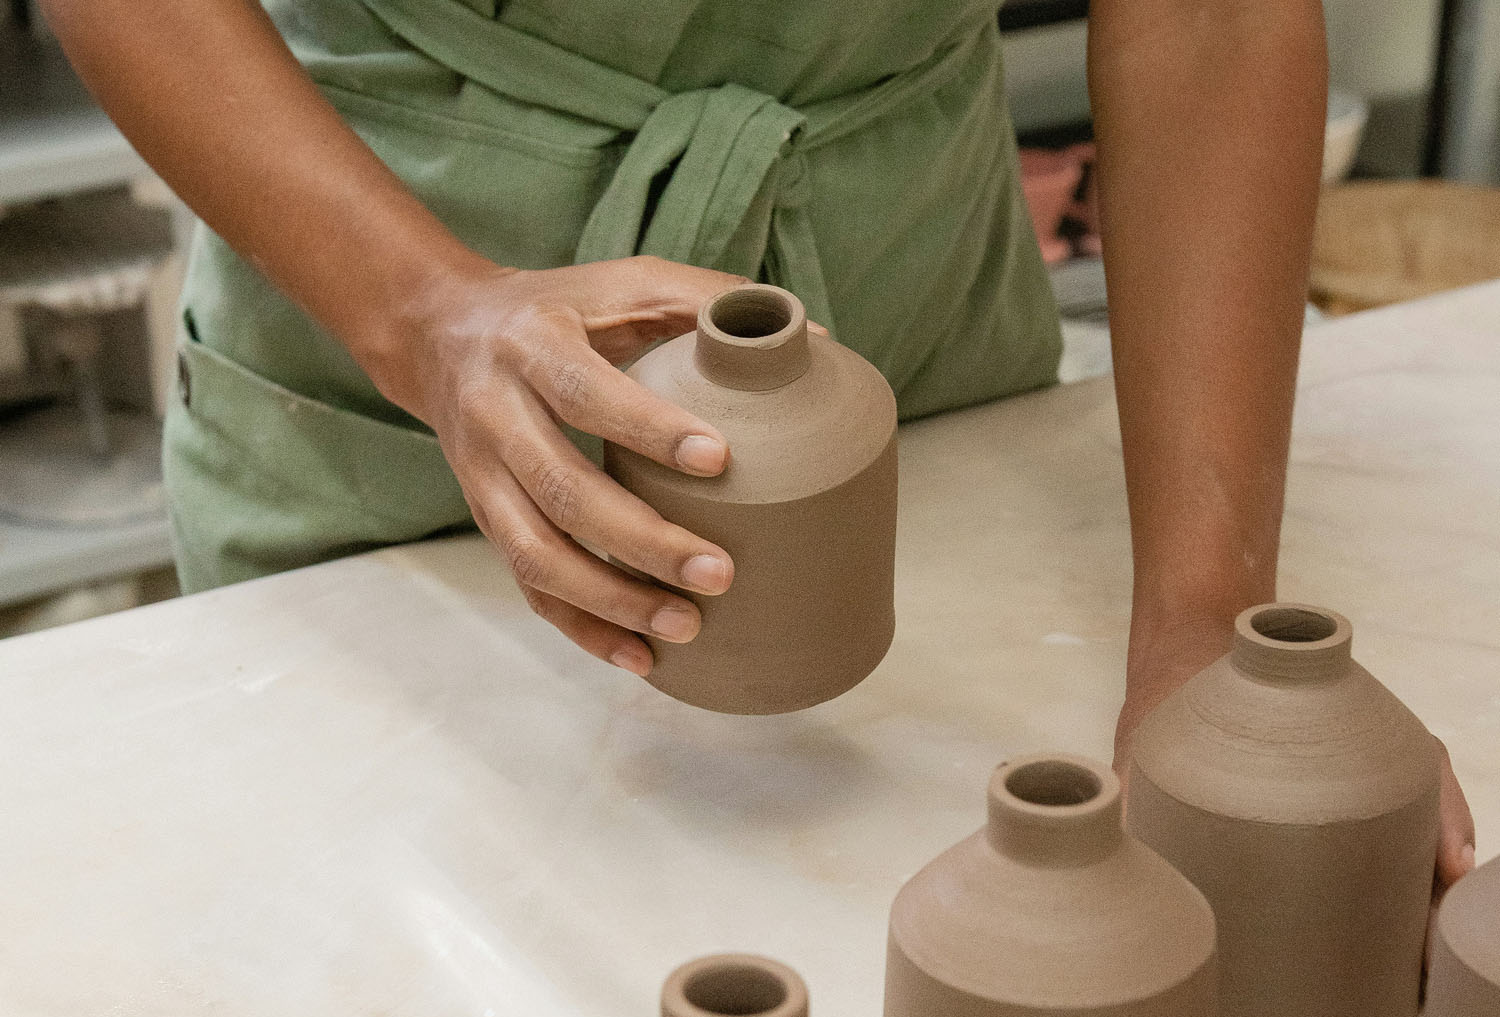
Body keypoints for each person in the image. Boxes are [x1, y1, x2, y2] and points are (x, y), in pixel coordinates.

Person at [45, 0, 1472, 894]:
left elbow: (1210, 21)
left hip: (900, 279)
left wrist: (1209, 612)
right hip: (385, 265)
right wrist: (425, 313)